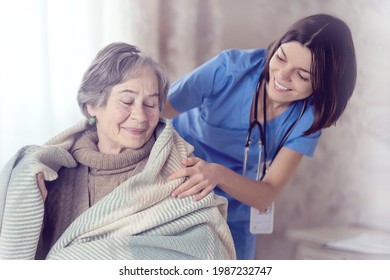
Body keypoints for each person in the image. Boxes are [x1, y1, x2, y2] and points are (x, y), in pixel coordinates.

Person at [0, 42, 236, 260]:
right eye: (127, 101)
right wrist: (34, 219)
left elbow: (208, 253)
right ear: (92, 105)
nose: (141, 116)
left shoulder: (181, 175)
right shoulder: (54, 175)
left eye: (151, 104)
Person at [163, 14, 357, 259]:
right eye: (281, 58)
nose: (282, 76)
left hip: (235, 215)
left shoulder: (306, 118)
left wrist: (217, 174)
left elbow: (266, 194)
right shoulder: (229, 69)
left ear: (323, 85)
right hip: (177, 195)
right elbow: (158, 110)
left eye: (302, 75)